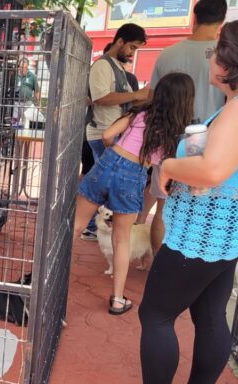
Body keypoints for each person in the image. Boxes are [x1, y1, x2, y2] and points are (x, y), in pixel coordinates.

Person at [107, 18, 238, 384]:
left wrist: (167, 165)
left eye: (216, 51)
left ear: (230, 61)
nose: (211, 58)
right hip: (228, 233)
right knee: (209, 317)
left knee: (156, 315)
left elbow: (212, 172)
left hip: (201, 234)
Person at [73, 72, 194, 315]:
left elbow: (107, 135)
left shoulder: (138, 113)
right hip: (134, 175)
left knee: (74, 227)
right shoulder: (174, 134)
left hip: (108, 162)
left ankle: (40, 279)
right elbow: (164, 167)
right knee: (122, 239)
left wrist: (113, 151)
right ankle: (117, 299)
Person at [138, 0, 227, 254]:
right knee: (206, 205)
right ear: (222, 22)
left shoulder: (168, 53)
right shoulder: (226, 56)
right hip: (211, 141)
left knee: (164, 207)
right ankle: (195, 263)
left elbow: (151, 97)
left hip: (168, 138)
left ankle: (158, 265)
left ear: (194, 18)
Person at [81, 24, 150, 241]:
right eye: (131, 47)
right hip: (105, 132)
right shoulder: (102, 66)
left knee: (103, 185)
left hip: (111, 133)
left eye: (136, 49)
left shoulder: (116, 66)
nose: (132, 53)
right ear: (119, 41)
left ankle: (92, 226)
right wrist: (137, 96)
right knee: (104, 186)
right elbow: (101, 98)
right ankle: (91, 226)